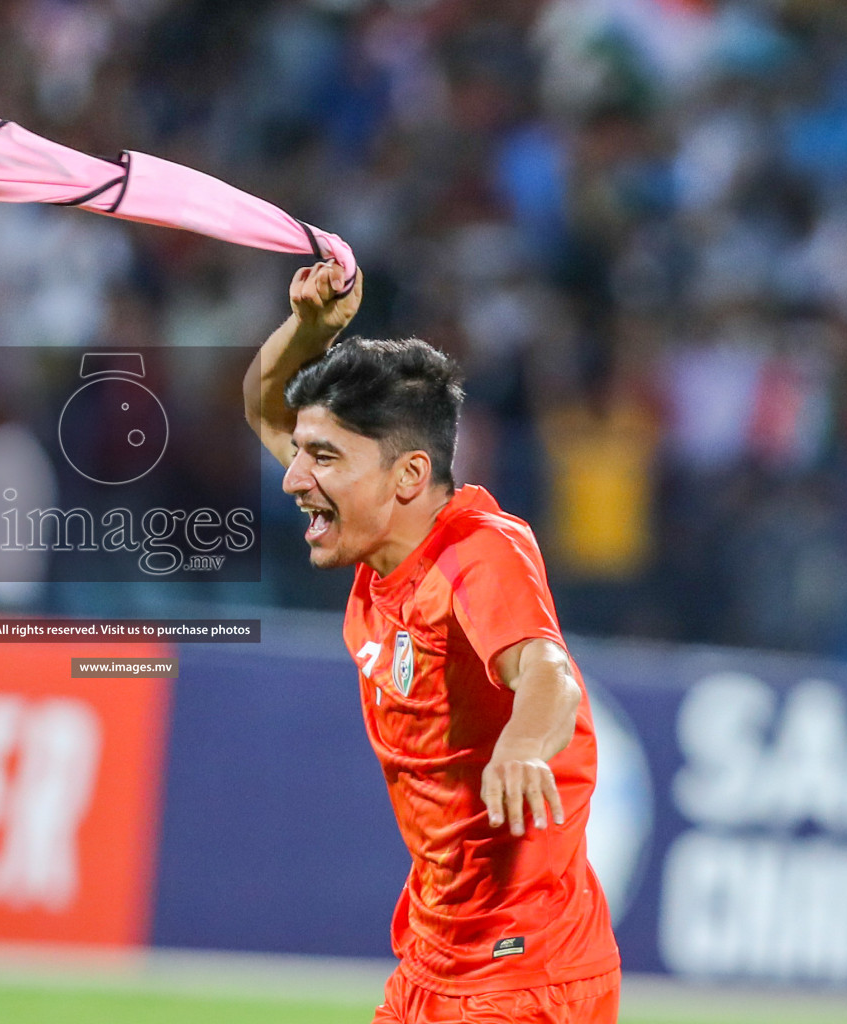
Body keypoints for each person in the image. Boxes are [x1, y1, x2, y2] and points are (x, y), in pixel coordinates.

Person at [243, 260, 620, 1024]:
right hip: (433, 959)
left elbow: (548, 672)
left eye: (322, 459)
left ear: (409, 474)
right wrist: (310, 332)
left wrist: (521, 745)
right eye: (304, 453)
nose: (294, 479)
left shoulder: (478, 551)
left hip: (523, 975)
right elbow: (262, 408)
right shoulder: (377, 528)